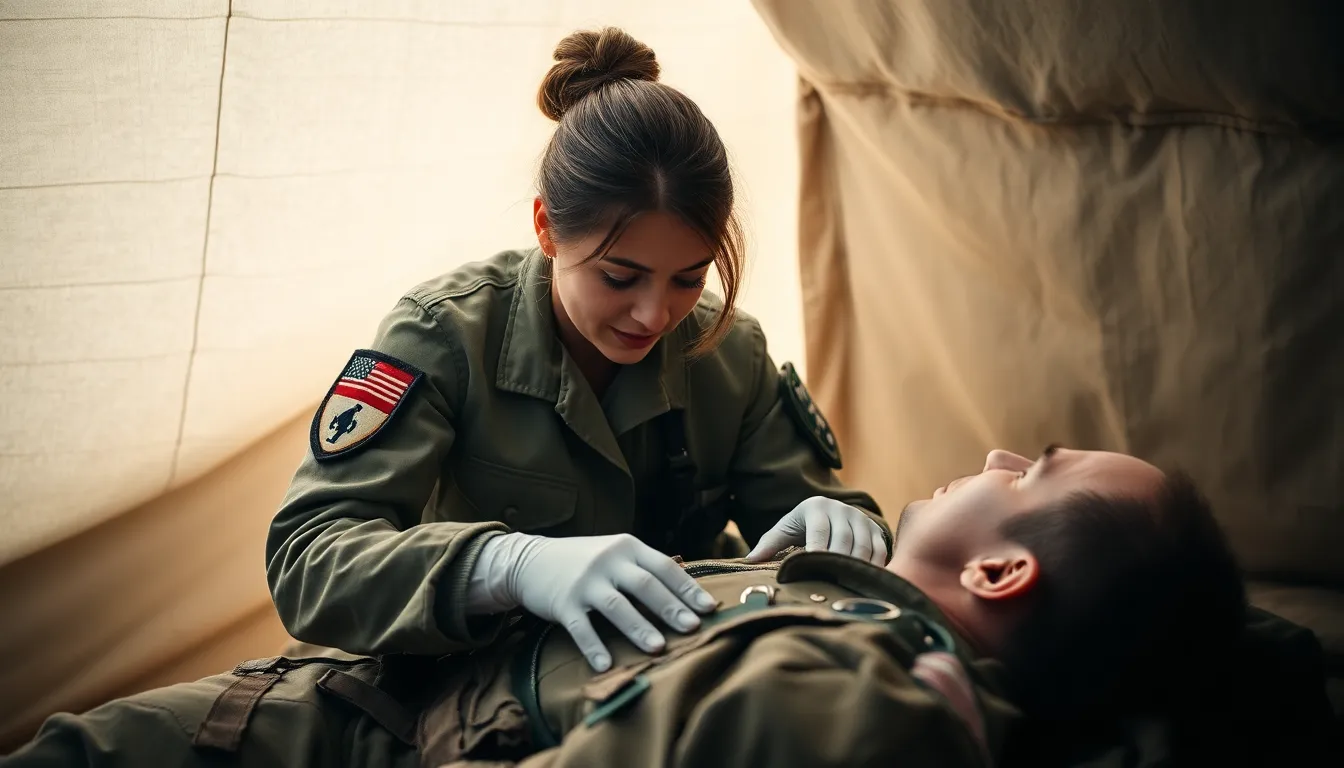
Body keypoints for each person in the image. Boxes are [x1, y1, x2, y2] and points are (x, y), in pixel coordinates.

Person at [10, 446, 1287, 768]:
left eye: (1035, 471)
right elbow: (317, 546)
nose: (1002, 448)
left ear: (1004, 576)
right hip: (319, 688)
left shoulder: (859, 695)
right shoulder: (840, 614)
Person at [264, 25, 890, 675]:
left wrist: (837, 525)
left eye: (689, 277)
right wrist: (506, 566)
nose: (655, 314)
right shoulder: (446, 336)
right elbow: (309, 558)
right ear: (547, 228)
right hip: (448, 687)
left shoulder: (729, 355)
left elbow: (812, 525)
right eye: (619, 276)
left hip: (650, 690)